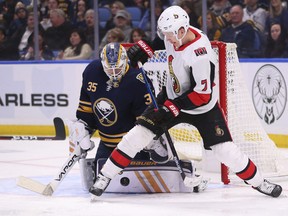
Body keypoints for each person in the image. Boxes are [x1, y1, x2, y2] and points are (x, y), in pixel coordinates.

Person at [89, 5, 283, 198]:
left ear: (182, 30)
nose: (168, 39)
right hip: (172, 95)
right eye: (165, 34)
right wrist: (146, 47)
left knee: (225, 151)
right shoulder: (174, 35)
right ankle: (105, 176)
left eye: (170, 34)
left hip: (202, 108)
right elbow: (160, 41)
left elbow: (202, 95)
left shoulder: (200, 54)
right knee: (138, 135)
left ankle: (260, 182)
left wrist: (172, 108)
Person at [68, 42, 152, 186]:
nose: (114, 73)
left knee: (139, 185)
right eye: (109, 69)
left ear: (125, 61)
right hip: (107, 144)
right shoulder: (92, 72)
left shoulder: (138, 80)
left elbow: (145, 121)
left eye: (118, 68)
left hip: (132, 147)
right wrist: (83, 130)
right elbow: (86, 108)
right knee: (97, 183)